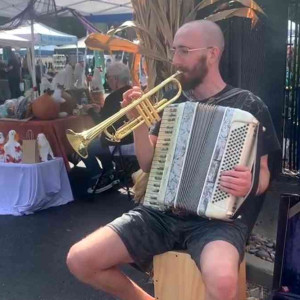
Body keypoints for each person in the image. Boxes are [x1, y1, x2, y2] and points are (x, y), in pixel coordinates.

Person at [67, 20, 281, 300]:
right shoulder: (172, 104)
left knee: (224, 284)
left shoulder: (249, 105)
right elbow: (147, 164)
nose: (174, 60)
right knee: (80, 260)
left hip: (217, 221)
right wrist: (140, 124)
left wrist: (250, 184)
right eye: (173, 51)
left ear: (212, 53)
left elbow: (264, 172)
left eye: (183, 51)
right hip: (161, 213)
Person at [82, 61, 133, 194]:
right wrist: (101, 110)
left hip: (118, 143)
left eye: (108, 77)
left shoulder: (112, 98)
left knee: (84, 147)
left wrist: (91, 111)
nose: (107, 81)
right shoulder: (134, 92)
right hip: (134, 140)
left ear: (115, 79)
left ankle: (99, 175)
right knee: (99, 143)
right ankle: (109, 172)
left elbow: (102, 125)